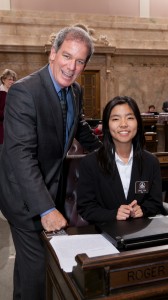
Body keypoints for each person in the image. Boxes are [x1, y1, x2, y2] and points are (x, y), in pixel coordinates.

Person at [0, 26, 101, 300]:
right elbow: (21, 156)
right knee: (37, 267)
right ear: (53, 53)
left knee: (30, 265)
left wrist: (107, 155)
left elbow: (77, 126)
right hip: (22, 194)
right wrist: (45, 209)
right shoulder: (23, 92)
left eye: (80, 61)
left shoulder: (75, 91)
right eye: (67, 56)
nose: (72, 67)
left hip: (48, 187)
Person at [77, 96, 165, 224]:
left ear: (138, 123)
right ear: (107, 125)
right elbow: (86, 208)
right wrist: (113, 214)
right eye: (116, 119)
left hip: (141, 234)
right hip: (105, 235)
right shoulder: (90, 163)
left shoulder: (151, 162)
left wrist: (143, 210)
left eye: (130, 118)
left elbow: (155, 203)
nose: (123, 124)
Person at [0, 69, 17, 153]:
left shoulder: (13, 93)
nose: (12, 81)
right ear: (3, 80)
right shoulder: (1, 94)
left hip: (12, 132)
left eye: (13, 79)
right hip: (2, 133)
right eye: (9, 79)